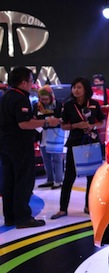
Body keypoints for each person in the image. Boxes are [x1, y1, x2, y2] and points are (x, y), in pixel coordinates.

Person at [0, 67, 61, 228]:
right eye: (31, 80)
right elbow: (24, 124)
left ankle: (11, 216)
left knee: (10, 181)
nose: (32, 84)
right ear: (23, 82)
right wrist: (47, 122)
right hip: (19, 146)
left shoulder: (6, 96)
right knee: (23, 180)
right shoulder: (20, 98)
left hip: (6, 145)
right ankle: (23, 218)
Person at [51, 77, 105, 219]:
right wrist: (76, 126)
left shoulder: (94, 104)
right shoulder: (68, 105)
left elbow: (102, 122)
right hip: (74, 143)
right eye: (74, 87)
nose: (76, 90)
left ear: (86, 89)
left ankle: (89, 206)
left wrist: (92, 126)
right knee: (69, 176)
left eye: (79, 87)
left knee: (91, 177)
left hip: (91, 143)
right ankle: (63, 209)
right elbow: (63, 126)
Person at [33, 85, 65, 189]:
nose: (44, 101)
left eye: (46, 99)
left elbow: (59, 119)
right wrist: (47, 120)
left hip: (55, 134)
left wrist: (46, 120)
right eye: (42, 99)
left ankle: (59, 180)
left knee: (57, 158)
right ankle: (50, 179)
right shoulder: (36, 106)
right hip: (42, 134)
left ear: (51, 97)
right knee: (46, 159)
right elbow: (35, 119)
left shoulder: (58, 105)